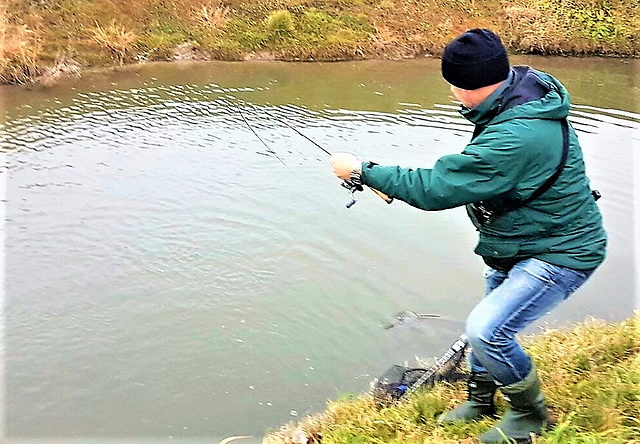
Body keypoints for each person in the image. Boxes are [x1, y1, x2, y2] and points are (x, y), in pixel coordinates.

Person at [329, 29, 606, 443]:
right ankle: (480, 398)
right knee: (489, 322)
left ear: (466, 85)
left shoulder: (518, 134)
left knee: (486, 329)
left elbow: (438, 186)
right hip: (519, 241)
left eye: (453, 85)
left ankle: (530, 416)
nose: (452, 94)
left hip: (559, 251)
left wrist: (362, 171)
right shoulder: (521, 96)